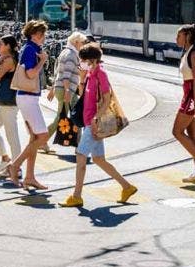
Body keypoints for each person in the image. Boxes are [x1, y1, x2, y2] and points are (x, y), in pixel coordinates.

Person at [59, 43, 138, 208]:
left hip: (93, 122)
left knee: (81, 156)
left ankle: (76, 196)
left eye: (84, 60)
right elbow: (84, 95)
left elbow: (107, 99)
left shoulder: (101, 74)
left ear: (93, 60)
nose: (81, 63)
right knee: (99, 159)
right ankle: (127, 187)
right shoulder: (89, 73)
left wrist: (95, 119)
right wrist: (82, 78)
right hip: (89, 121)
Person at [6, 20, 50, 190]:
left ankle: (30, 177)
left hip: (27, 97)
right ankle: (15, 165)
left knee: (34, 138)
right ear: (34, 34)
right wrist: (43, 61)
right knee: (43, 136)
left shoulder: (31, 48)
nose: (43, 37)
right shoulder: (30, 49)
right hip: (27, 98)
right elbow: (30, 74)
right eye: (41, 34)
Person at [174, 24, 195, 184]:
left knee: (177, 131)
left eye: (179, 36)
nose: (176, 39)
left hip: (193, 96)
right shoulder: (188, 52)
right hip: (191, 95)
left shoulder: (194, 54)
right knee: (192, 132)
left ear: (188, 36)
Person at [44, 32, 87, 153]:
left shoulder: (66, 52)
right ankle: (41, 140)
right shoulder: (71, 55)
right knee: (61, 117)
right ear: (76, 42)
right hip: (66, 90)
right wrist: (67, 91)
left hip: (64, 90)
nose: (83, 45)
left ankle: (78, 144)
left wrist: (53, 89)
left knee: (76, 115)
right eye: (82, 42)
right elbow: (66, 76)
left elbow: (58, 73)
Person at [0, 35, 21, 178]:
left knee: (11, 135)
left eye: (0, 44)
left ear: (8, 46)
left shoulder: (8, 60)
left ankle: (17, 167)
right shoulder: (8, 59)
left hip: (9, 103)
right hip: (4, 103)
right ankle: (5, 158)